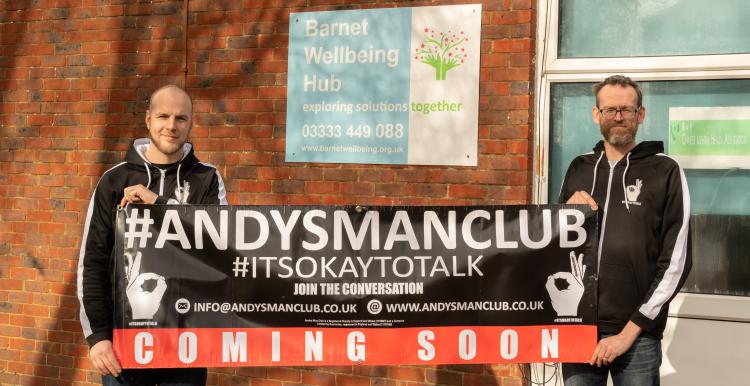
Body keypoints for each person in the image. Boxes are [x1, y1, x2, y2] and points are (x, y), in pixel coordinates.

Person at [77, 84, 227, 385]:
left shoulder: (207, 179)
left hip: (186, 345)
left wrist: (157, 203)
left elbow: (218, 249)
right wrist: (97, 337)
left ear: (191, 123)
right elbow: (92, 262)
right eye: (163, 116)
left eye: (181, 118)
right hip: (125, 346)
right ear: (148, 120)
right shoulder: (114, 180)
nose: (171, 126)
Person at [559, 75, 691, 385]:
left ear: (640, 115)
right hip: (579, 328)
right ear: (596, 115)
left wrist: (630, 331)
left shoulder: (665, 170)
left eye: (627, 110)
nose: (619, 117)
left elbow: (676, 261)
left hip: (636, 336)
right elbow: (556, 245)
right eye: (610, 110)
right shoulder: (579, 167)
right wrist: (565, 212)